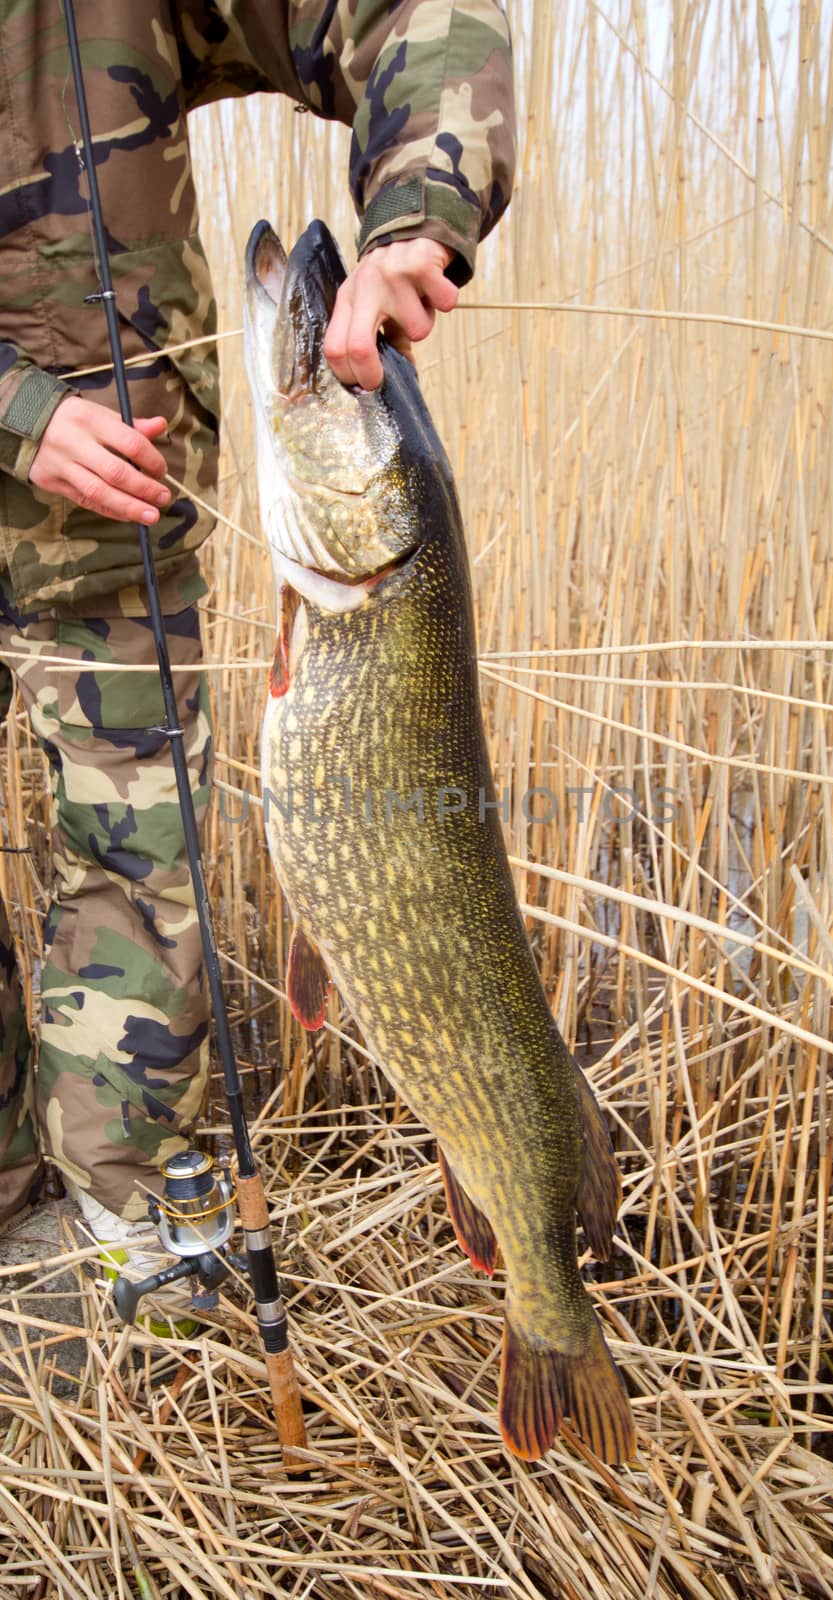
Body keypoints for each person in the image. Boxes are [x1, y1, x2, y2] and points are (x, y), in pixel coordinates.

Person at [0, 1, 515, 1269]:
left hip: (116, 511)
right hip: (52, 432)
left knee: (134, 881)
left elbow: (408, 13)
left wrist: (418, 217)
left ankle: (125, 1254)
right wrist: (13, 407)